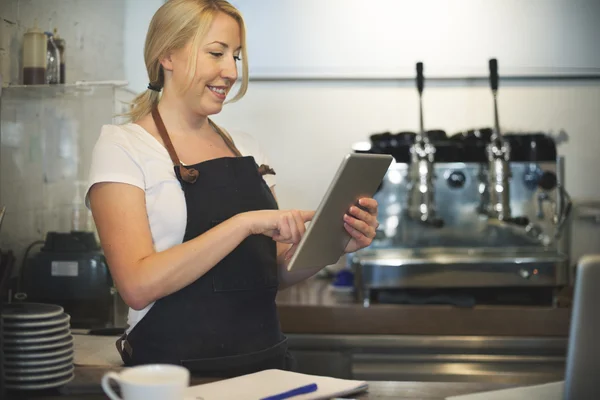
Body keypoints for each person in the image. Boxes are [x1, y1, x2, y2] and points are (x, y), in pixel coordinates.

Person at [86, 0, 379, 377]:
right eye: (216, 53)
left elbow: (273, 272)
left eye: (236, 57)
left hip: (264, 368)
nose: (230, 71)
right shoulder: (123, 146)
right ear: (167, 55)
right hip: (173, 377)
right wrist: (243, 223)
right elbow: (138, 285)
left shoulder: (246, 148)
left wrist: (334, 243)